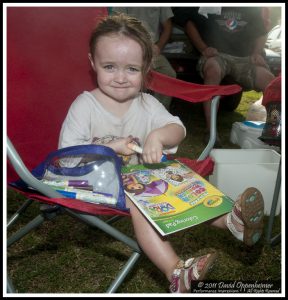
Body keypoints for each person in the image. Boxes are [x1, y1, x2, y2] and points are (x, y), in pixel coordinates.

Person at [58, 14, 265, 293]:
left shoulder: (145, 103)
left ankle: (231, 219)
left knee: (178, 176)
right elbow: (65, 157)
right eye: (109, 66)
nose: (120, 78)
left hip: (136, 177)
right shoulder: (85, 105)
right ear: (93, 62)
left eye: (131, 69)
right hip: (89, 181)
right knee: (141, 198)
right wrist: (110, 147)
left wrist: (158, 135)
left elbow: (177, 129)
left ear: (145, 68)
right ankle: (176, 273)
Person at [172, 6, 275, 146]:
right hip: (217, 55)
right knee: (212, 70)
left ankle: (274, 130)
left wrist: (257, 53)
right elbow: (189, 23)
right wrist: (203, 48)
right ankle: (211, 132)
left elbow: (261, 33)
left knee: (270, 81)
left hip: (245, 59)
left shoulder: (252, 7)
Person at [111, 7, 177, 111]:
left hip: (151, 49)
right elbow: (118, 24)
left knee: (168, 73)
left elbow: (168, 26)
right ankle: (126, 111)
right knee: (131, 76)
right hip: (127, 47)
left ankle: (160, 113)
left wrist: (159, 46)